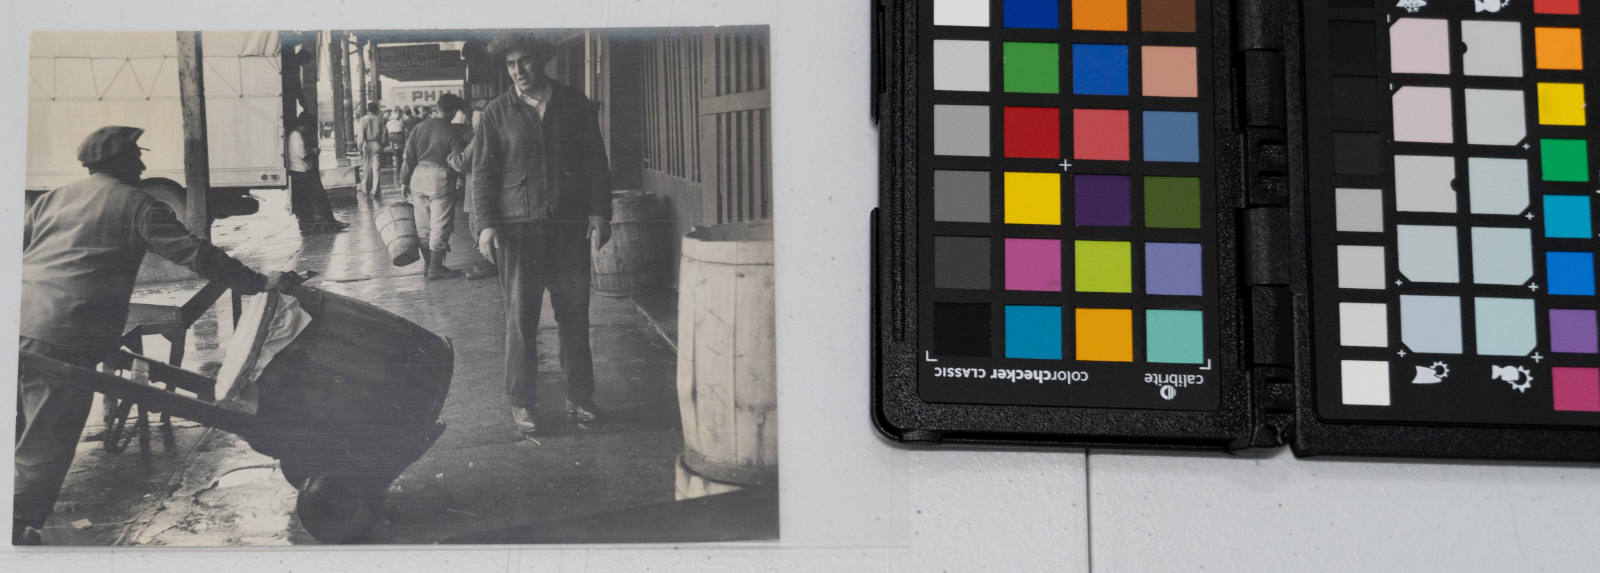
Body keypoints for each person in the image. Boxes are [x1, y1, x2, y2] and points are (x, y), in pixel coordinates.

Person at [15, 126, 290, 545]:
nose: (143, 165)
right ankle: (15, 530)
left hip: (19, 320)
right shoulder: (136, 203)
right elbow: (195, 252)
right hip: (65, 332)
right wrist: (255, 283)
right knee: (46, 439)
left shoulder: (54, 198)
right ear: (120, 163)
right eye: (135, 157)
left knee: (17, 426)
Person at [472, 32, 613, 439]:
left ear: (542, 61)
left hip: (568, 229)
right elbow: (483, 174)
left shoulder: (573, 104)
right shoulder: (497, 112)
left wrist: (600, 213)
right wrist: (485, 225)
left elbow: (596, 164)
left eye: (524, 62)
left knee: (574, 317)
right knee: (521, 320)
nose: (518, 71)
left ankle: (580, 397)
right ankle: (522, 402)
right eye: (511, 65)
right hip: (519, 233)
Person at [401, 94, 468, 280]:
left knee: (423, 225)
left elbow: (408, 158)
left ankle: (429, 265)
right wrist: (461, 180)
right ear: (454, 111)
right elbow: (459, 161)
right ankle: (435, 268)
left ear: (437, 107)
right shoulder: (451, 131)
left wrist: (403, 182)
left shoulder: (419, 127)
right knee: (440, 224)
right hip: (439, 177)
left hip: (418, 176)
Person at [287, 111, 349, 235]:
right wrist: (314, 152)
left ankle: (319, 224)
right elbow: (303, 155)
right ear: (304, 125)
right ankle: (325, 223)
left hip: (301, 171)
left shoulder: (295, 135)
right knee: (316, 198)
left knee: (308, 200)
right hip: (301, 172)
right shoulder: (296, 137)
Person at [356, 102, 386, 198]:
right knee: (376, 167)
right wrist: (382, 144)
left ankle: (366, 189)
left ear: (368, 111)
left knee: (367, 167)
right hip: (377, 144)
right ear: (376, 110)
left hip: (368, 144)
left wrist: (359, 147)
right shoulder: (380, 119)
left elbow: (361, 135)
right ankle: (375, 189)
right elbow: (385, 134)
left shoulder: (363, 120)